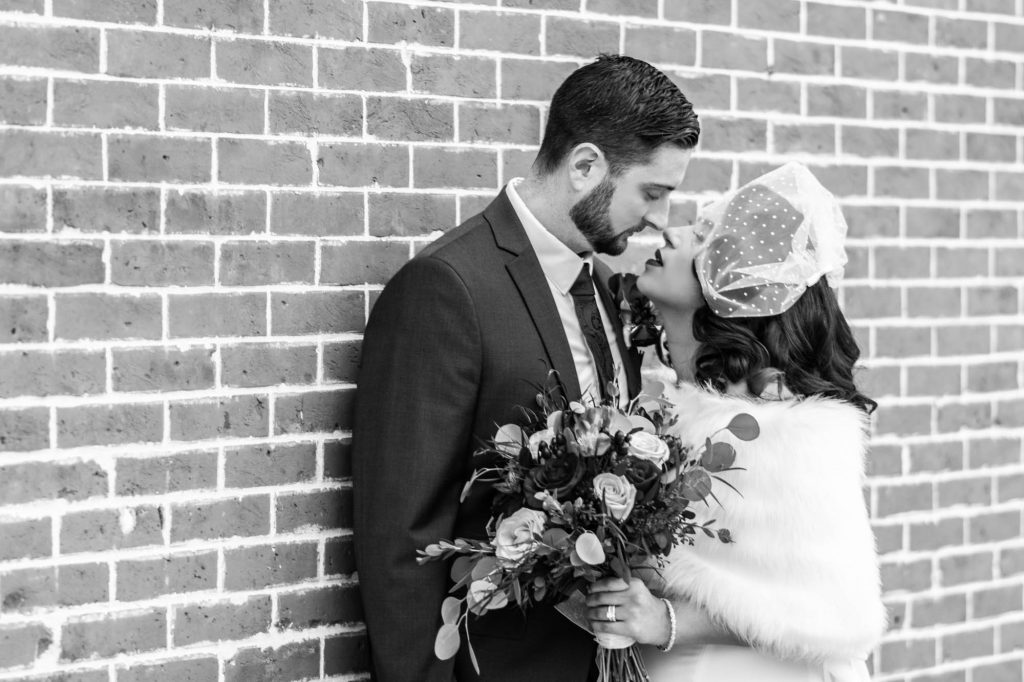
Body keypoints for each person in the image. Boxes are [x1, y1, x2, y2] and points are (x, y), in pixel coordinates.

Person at [351, 54, 700, 682]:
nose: (660, 219)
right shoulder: (448, 287)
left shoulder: (599, 284)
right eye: (653, 192)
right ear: (586, 165)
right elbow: (400, 537)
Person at [585, 162, 887, 681]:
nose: (671, 230)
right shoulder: (665, 406)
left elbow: (829, 604)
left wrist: (666, 620)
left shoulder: (783, 429)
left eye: (703, 237)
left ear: (739, 288)